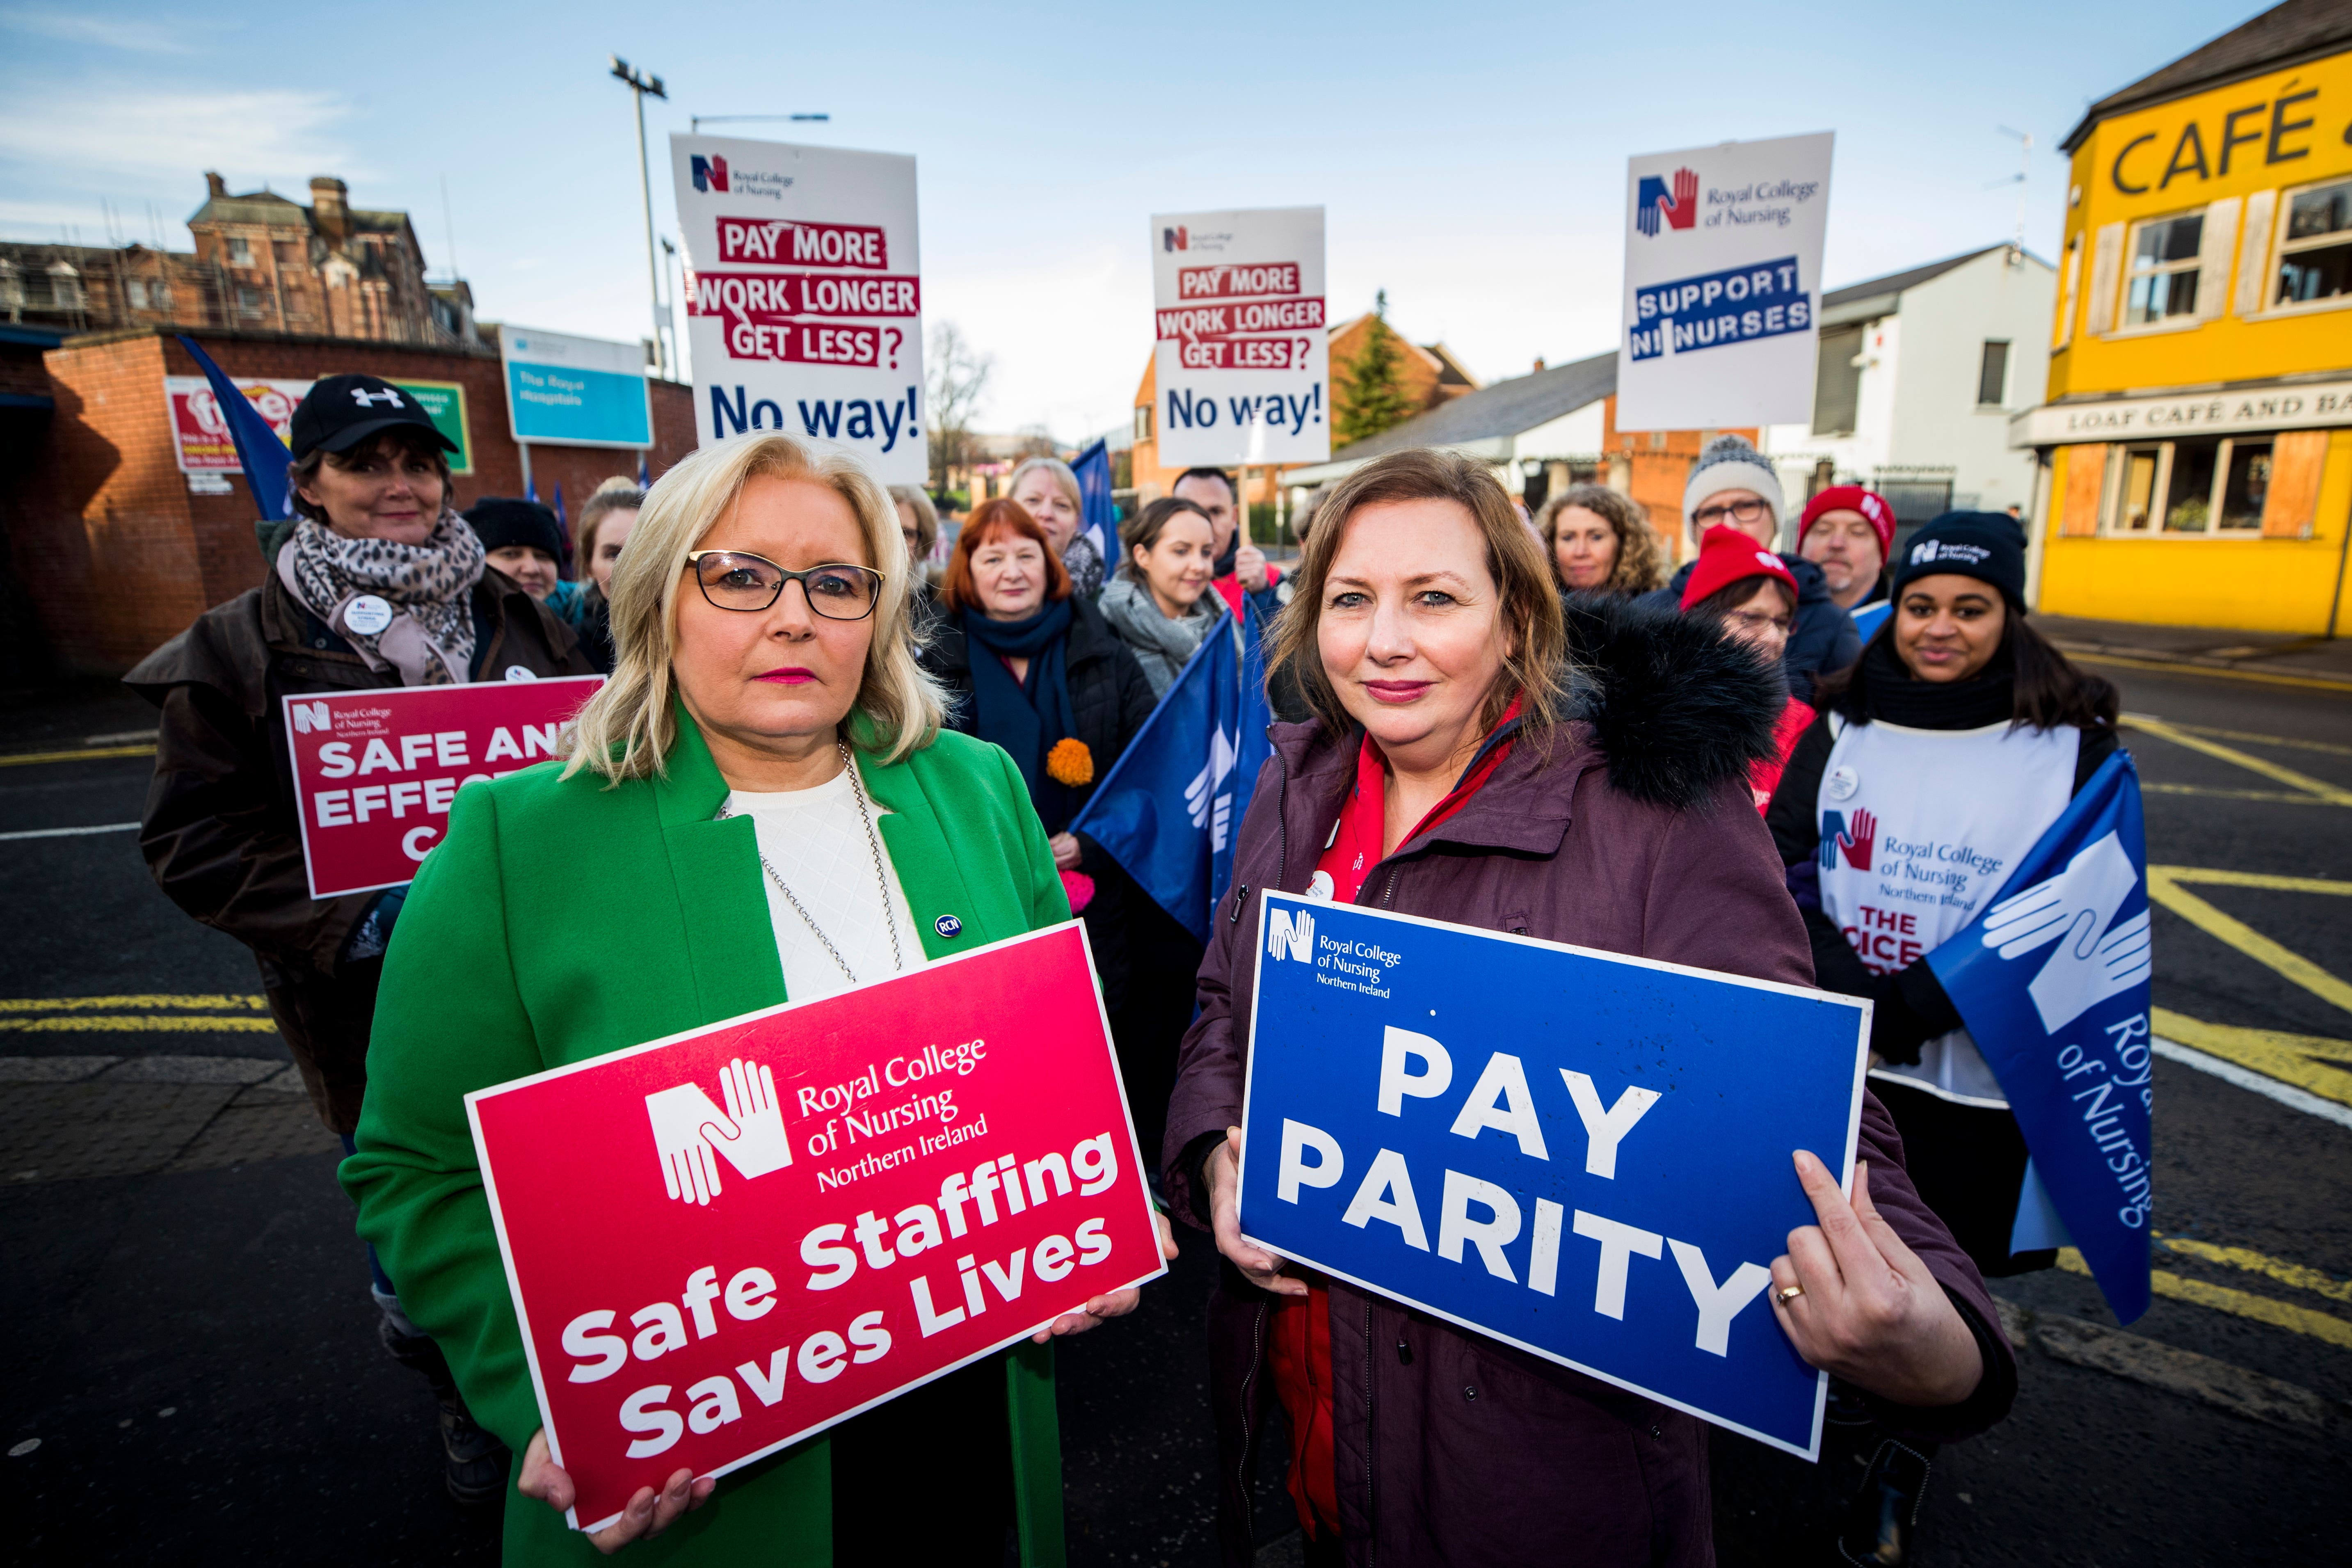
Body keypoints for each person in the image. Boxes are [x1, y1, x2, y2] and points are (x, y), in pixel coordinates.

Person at [1165, 448, 2015, 1568]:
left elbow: (1789, 1106)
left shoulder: (1651, 804)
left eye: (1433, 597)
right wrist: (1225, 1141)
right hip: (1311, 1405)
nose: (1383, 640)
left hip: (1533, 1475)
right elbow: (1230, 996)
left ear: (1515, 618)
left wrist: (1933, 1341)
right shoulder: (1298, 776)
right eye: (1349, 598)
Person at [343, 433, 1174, 1564]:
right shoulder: (516, 841)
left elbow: (1048, 1068)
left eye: (835, 582)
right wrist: (539, 1386)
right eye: (739, 575)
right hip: (709, 1475)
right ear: (656, 598)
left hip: (969, 1422)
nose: (794, 617)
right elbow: (415, 1165)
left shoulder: (975, 789)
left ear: (877, 614)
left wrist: (1095, 1207)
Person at [124, 372, 594, 1506]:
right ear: (310, 483)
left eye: (417, 461)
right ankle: (463, 1393)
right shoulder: (234, 646)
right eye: (365, 462)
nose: (399, 483)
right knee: (415, 1209)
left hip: (536, 979)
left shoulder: (518, 615)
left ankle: (574, 1392)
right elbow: (192, 840)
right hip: (365, 999)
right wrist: (360, 918)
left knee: (555, 1196)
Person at [1764, 512, 2116, 1560]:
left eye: (1972, 608)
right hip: (1855, 1048)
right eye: (1921, 606)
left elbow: (2067, 900)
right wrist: (1852, 987)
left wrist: (1920, 1002)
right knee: (1850, 1229)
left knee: (1945, 1261)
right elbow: (1778, 859)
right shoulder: (1844, 722)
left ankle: (1906, 1456)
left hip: (1982, 1068)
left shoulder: (2074, 744)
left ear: (2010, 615)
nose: (1941, 628)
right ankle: (1857, 1404)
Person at [921, 500, 1195, 1157]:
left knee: (1104, 1028)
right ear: (967, 570)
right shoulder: (931, 660)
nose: (1011, 571)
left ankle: (1110, 1163)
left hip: (1092, 893)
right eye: (992, 557)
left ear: (1049, 567)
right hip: (984, 893)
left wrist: (1091, 842)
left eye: (1026, 555)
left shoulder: (1101, 649)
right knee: (1005, 1043)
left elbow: (1154, 768)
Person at [1643, 435, 1858, 704]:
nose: (1730, 524)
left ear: (1775, 516)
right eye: (1710, 512)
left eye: (1747, 507)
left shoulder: (1830, 626)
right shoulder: (1646, 614)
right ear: (1693, 526)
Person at [1679, 523, 1814, 811]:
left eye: (1781, 623)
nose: (1770, 638)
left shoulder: (1800, 727)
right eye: (1751, 618)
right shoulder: (1644, 717)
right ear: (1700, 621)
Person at [1097, 496, 1228, 698]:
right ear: (1143, 556)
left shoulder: (1225, 624)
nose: (1199, 566)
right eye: (1181, 551)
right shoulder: (1105, 635)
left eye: (1206, 552)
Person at [554, 477, 642, 672]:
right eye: (614, 554)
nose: (630, 566)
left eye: (643, 550)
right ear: (589, 566)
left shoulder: (699, 640)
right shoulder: (565, 656)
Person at [1171, 466, 1282, 622]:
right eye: (1190, 511)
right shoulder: (1154, 580)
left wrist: (1262, 595)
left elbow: (1291, 643)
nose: (1205, 524)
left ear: (1234, 517)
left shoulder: (1271, 580)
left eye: (1215, 511)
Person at [1797, 485, 1896, 640]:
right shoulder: (1767, 620)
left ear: (1881, 556)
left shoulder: (1898, 632)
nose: (1837, 544)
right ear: (1801, 547)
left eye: (1857, 533)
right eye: (1823, 530)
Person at [1536, 482, 1668, 598]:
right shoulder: (1531, 617)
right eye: (1568, 538)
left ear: (1624, 544)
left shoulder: (1657, 614)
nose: (1580, 552)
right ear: (1549, 544)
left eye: (1596, 537)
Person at [1009, 455, 1103, 597]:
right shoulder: (970, 586)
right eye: (1033, 500)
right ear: (1007, 509)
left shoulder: (1105, 609)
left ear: (1076, 523)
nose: (1046, 514)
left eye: (1062, 505)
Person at [466, 497, 565, 601]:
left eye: (543, 557)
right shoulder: (454, 616)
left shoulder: (577, 613)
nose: (532, 569)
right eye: (510, 554)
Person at [887, 482, 943, 633]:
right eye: (887, 529)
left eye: (906, 533)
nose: (896, 542)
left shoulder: (939, 612)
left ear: (922, 543)